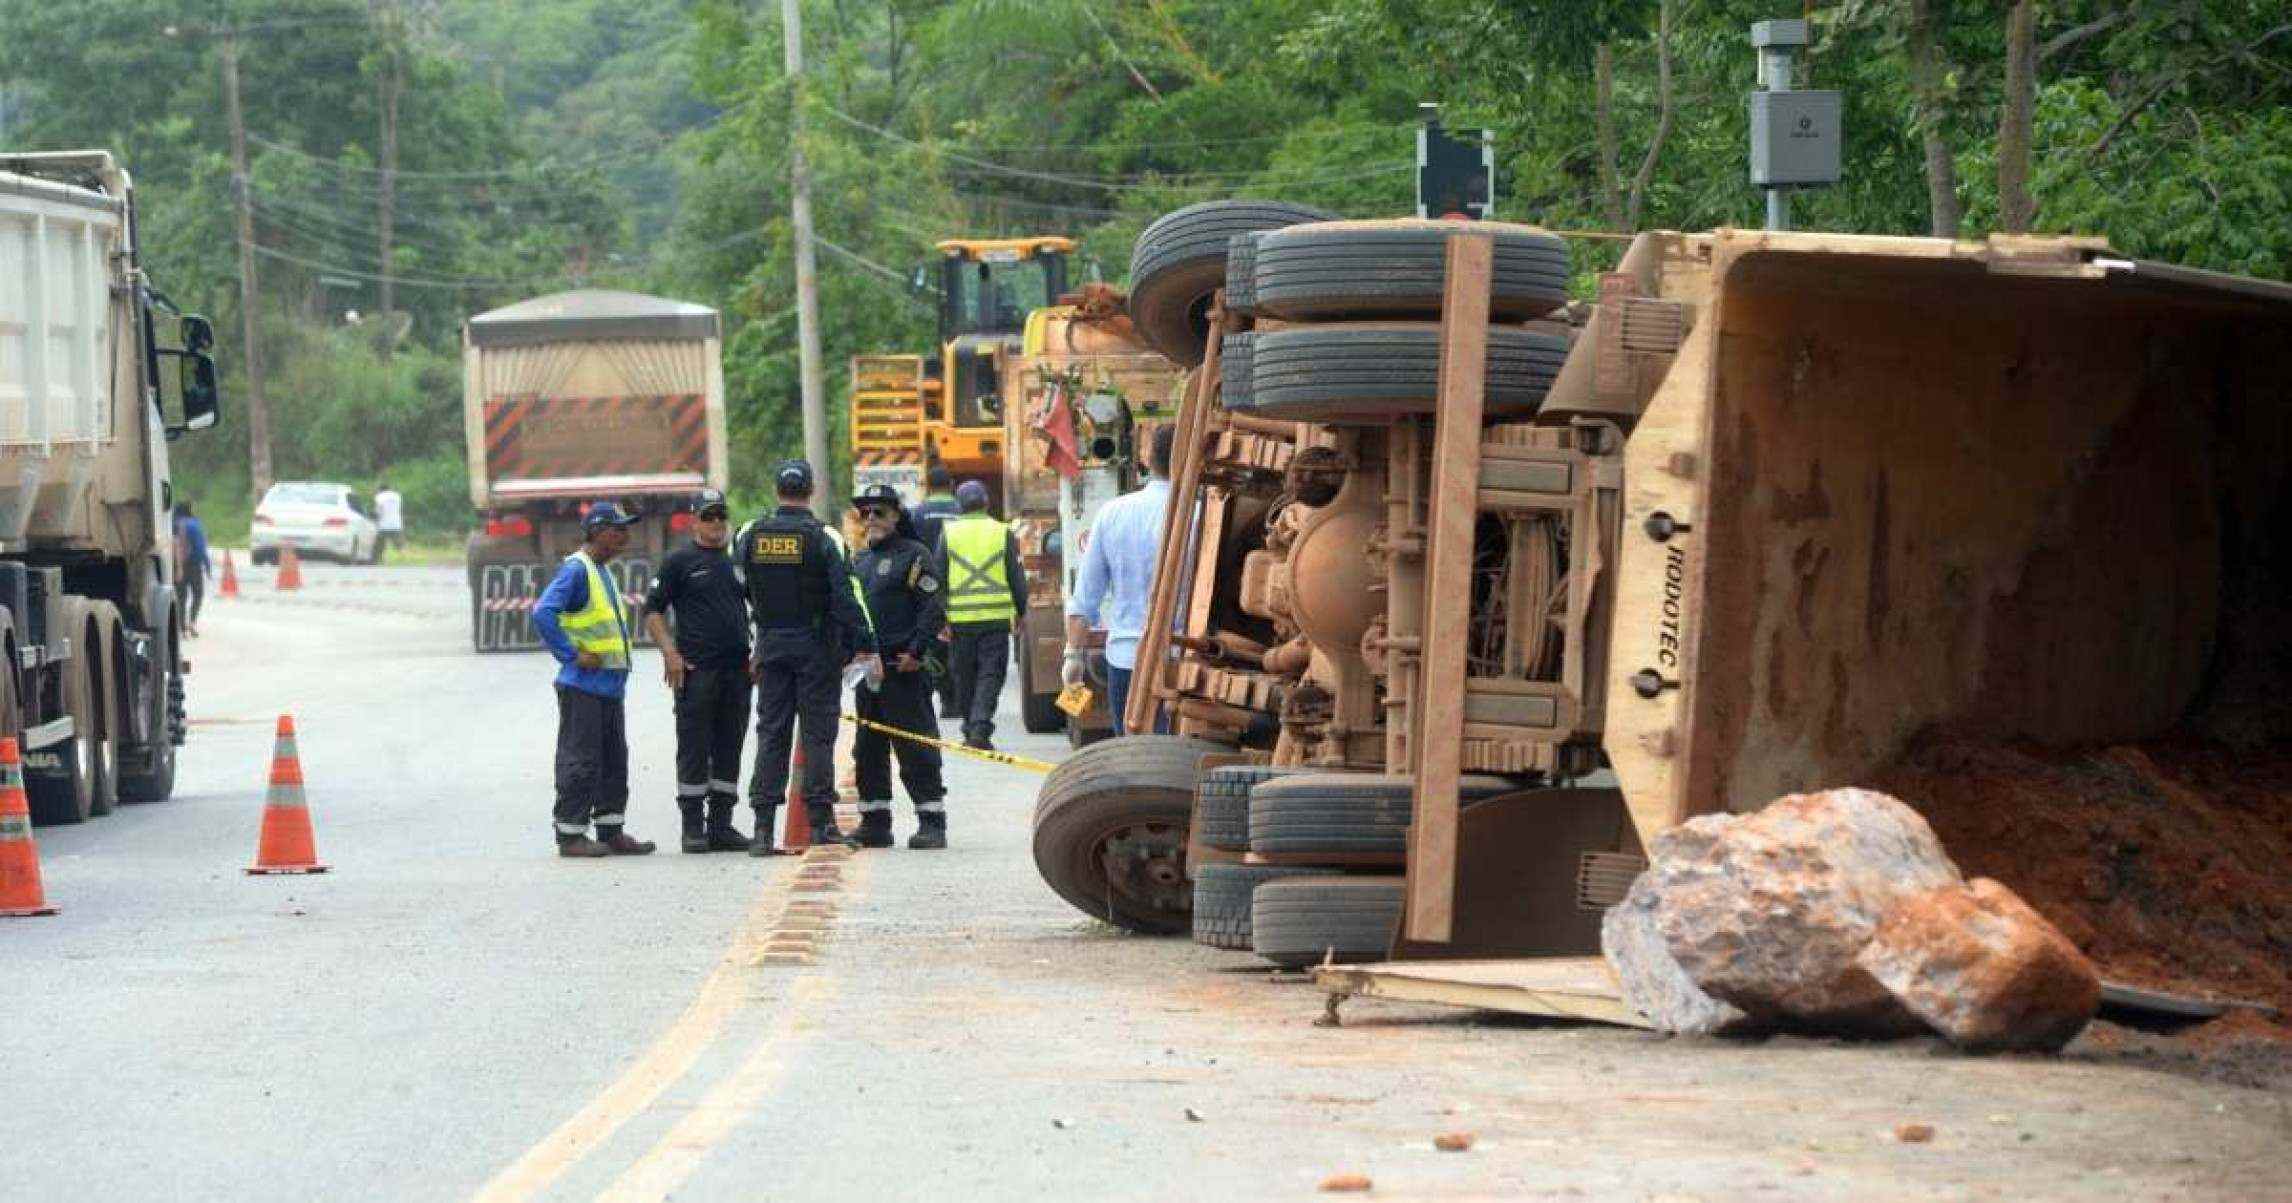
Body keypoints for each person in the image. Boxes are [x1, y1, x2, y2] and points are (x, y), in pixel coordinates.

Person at [738, 460, 877, 853]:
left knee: (772, 733)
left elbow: (740, 589)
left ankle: (763, 829)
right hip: (815, 649)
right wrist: (864, 643)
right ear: (812, 490)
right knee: (817, 736)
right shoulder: (824, 537)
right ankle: (820, 825)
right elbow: (844, 596)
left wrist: (757, 637)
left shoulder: (750, 534)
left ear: (776, 489)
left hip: (771, 645)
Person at [531, 502, 656, 858]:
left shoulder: (602, 570)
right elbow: (543, 613)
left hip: (608, 687)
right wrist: (571, 653)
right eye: (618, 529)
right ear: (597, 531)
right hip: (583, 686)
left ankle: (611, 830)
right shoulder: (578, 569)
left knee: (614, 760)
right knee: (581, 761)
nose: (625, 537)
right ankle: (571, 835)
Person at [642, 489, 752, 854]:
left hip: (738, 671)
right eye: (708, 516)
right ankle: (693, 828)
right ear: (694, 521)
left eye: (721, 515)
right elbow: (653, 611)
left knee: (730, 746)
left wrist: (761, 653)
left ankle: (721, 825)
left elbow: (762, 608)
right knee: (694, 748)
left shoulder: (740, 560)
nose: (717, 523)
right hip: (696, 671)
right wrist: (669, 652)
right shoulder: (679, 561)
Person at [847, 485, 950, 849]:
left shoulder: (914, 555)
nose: (871, 519)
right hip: (869, 672)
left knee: (916, 747)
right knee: (868, 749)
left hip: (903, 668)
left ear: (896, 516)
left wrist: (917, 651)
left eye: (880, 512)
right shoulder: (859, 561)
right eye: (866, 513)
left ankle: (931, 821)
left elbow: (932, 607)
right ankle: (875, 822)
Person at [1065, 423, 1175, 735]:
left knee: (1133, 760)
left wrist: (1072, 657)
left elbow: (1085, 598)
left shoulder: (1113, 513)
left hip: (1126, 659)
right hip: (1189, 667)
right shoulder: (1205, 512)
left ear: (1147, 460)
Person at [938, 480, 1027, 751]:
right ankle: (979, 726)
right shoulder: (1002, 532)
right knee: (991, 674)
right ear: (987, 503)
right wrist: (1021, 612)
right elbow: (1016, 575)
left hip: (960, 620)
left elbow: (938, 578)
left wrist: (942, 617)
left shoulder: (948, 534)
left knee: (964, 675)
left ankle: (972, 726)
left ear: (958, 505)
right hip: (995, 619)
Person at [911, 466, 965, 721]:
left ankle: (945, 699)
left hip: (927, 588)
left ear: (928, 486)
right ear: (952, 484)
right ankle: (959, 696)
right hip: (961, 586)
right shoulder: (962, 511)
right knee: (959, 643)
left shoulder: (917, 513)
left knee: (934, 644)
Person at [173, 501, 210, 638]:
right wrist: (207, 565)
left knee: (181, 597)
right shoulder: (195, 525)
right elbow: (201, 548)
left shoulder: (173, 524)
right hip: (194, 565)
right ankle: (192, 622)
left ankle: (182, 629)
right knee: (198, 594)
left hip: (177, 565)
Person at [373, 481, 405, 557]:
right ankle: (403, 557)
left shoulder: (379, 497)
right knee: (399, 544)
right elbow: (399, 508)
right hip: (396, 523)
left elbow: (378, 511)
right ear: (389, 488)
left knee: (380, 545)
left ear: (380, 489)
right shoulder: (397, 496)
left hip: (383, 524)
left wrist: (374, 518)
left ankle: (382, 558)